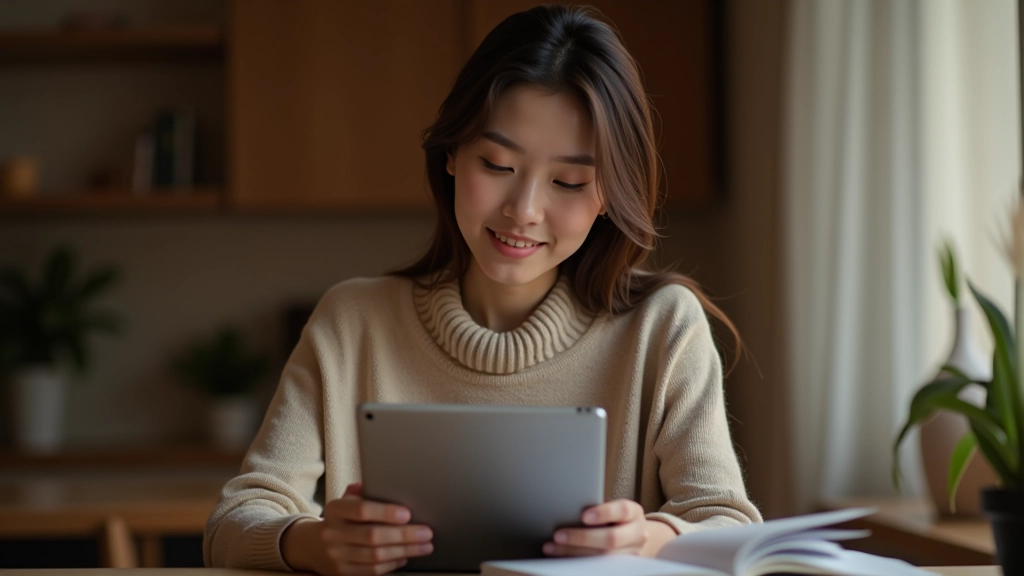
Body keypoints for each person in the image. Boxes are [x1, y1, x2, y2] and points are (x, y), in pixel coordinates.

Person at [204, 4, 762, 575]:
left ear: (608, 197)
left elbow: (728, 521)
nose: (523, 211)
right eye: (496, 165)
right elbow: (236, 518)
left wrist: (647, 539)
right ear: (451, 154)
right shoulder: (352, 322)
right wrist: (314, 541)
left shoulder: (663, 326)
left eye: (569, 181)